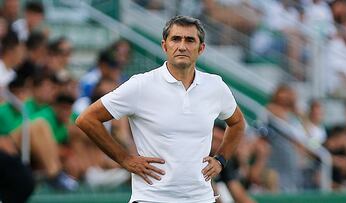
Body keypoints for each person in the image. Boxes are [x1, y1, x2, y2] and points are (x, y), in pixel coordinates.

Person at [76, 15, 245, 203]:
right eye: (176, 39)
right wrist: (124, 159)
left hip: (201, 198)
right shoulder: (141, 85)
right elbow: (87, 119)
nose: (182, 46)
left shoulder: (215, 86)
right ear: (165, 46)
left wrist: (221, 160)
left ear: (201, 48)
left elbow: (237, 122)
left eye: (190, 40)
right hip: (151, 198)